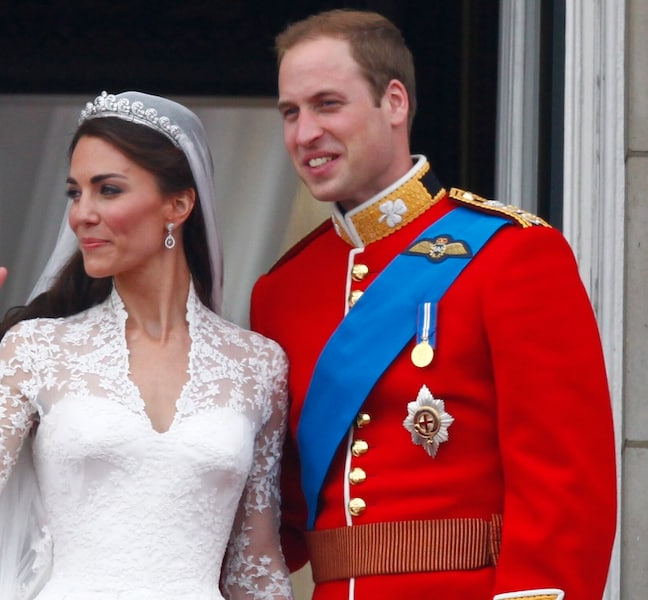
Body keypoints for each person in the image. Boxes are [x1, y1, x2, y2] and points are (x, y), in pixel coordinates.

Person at [250, 9, 617, 600]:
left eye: (327, 104)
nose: (304, 133)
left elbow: (566, 483)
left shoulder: (511, 254)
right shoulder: (283, 289)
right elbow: (284, 509)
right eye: (290, 113)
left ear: (394, 102)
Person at [0, 90, 293, 600]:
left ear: (179, 204)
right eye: (74, 192)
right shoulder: (36, 347)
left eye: (107, 190)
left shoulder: (259, 366)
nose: (82, 213)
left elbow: (254, 562)